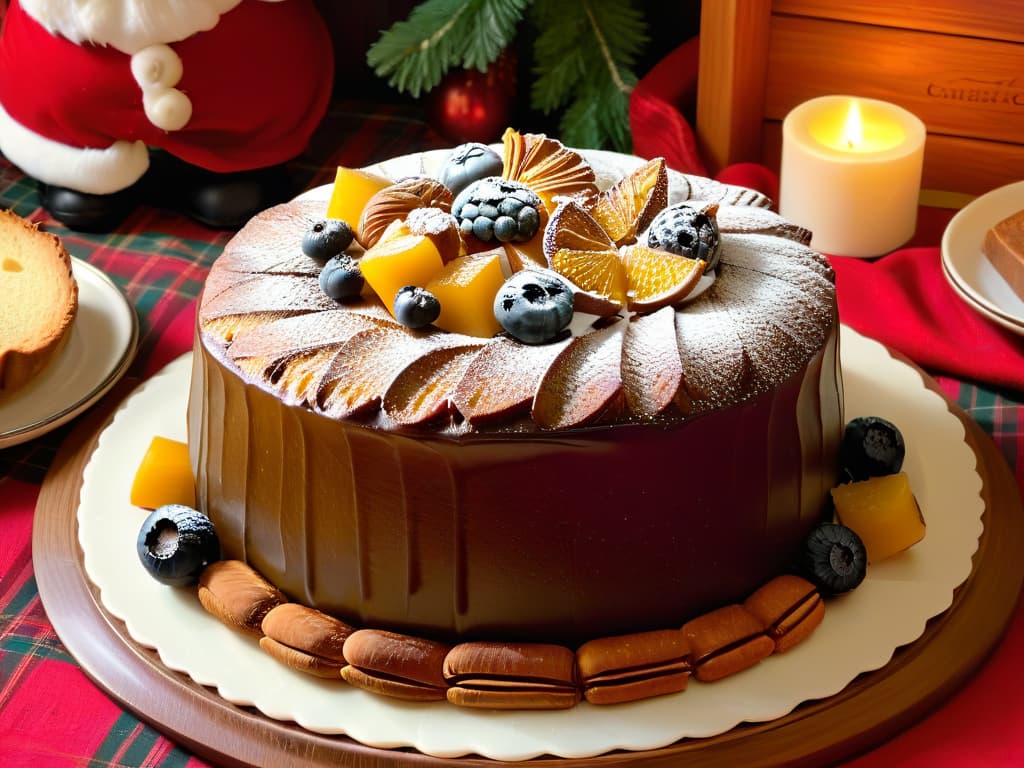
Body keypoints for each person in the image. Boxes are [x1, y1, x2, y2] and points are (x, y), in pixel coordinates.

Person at [0, 0, 333, 230]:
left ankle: (236, 166)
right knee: (83, 199)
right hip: (65, 104)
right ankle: (76, 170)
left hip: (242, 89)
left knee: (233, 196)